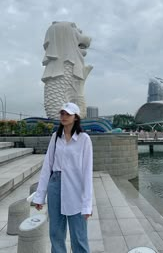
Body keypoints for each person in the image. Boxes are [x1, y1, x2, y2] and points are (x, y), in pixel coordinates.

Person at [33, 102, 93, 253]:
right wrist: (40, 197)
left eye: (68, 114)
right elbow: (47, 167)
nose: (64, 117)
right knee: (56, 233)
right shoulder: (55, 137)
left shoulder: (84, 139)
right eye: (62, 114)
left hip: (75, 187)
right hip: (55, 185)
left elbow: (87, 173)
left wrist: (87, 205)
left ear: (76, 117)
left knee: (79, 234)